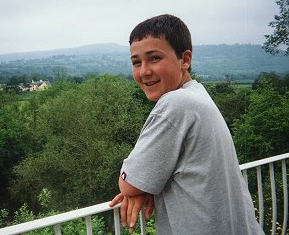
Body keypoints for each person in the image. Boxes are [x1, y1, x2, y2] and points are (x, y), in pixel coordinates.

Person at [109, 14, 264, 235]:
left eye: (154, 58)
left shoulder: (176, 103)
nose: (144, 71)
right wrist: (147, 184)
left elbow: (129, 184)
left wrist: (142, 186)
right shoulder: (198, 94)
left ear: (185, 59)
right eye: (136, 62)